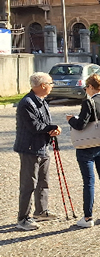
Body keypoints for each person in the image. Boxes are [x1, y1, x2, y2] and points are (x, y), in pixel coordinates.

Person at [66, 74, 100, 228]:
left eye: (86, 87)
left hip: (87, 147)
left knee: (89, 181)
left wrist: (70, 119)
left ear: (90, 87)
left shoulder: (89, 103)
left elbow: (81, 124)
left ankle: (88, 217)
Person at [14, 72, 62, 231]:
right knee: (28, 184)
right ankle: (23, 218)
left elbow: (45, 123)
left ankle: (41, 211)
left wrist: (52, 131)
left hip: (43, 147)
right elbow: (35, 126)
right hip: (30, 149)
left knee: (43, 181)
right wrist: (52, 128)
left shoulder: (42, 101)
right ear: (43, 85)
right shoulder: (26, 103)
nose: (52, 86)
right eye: (51, 83)